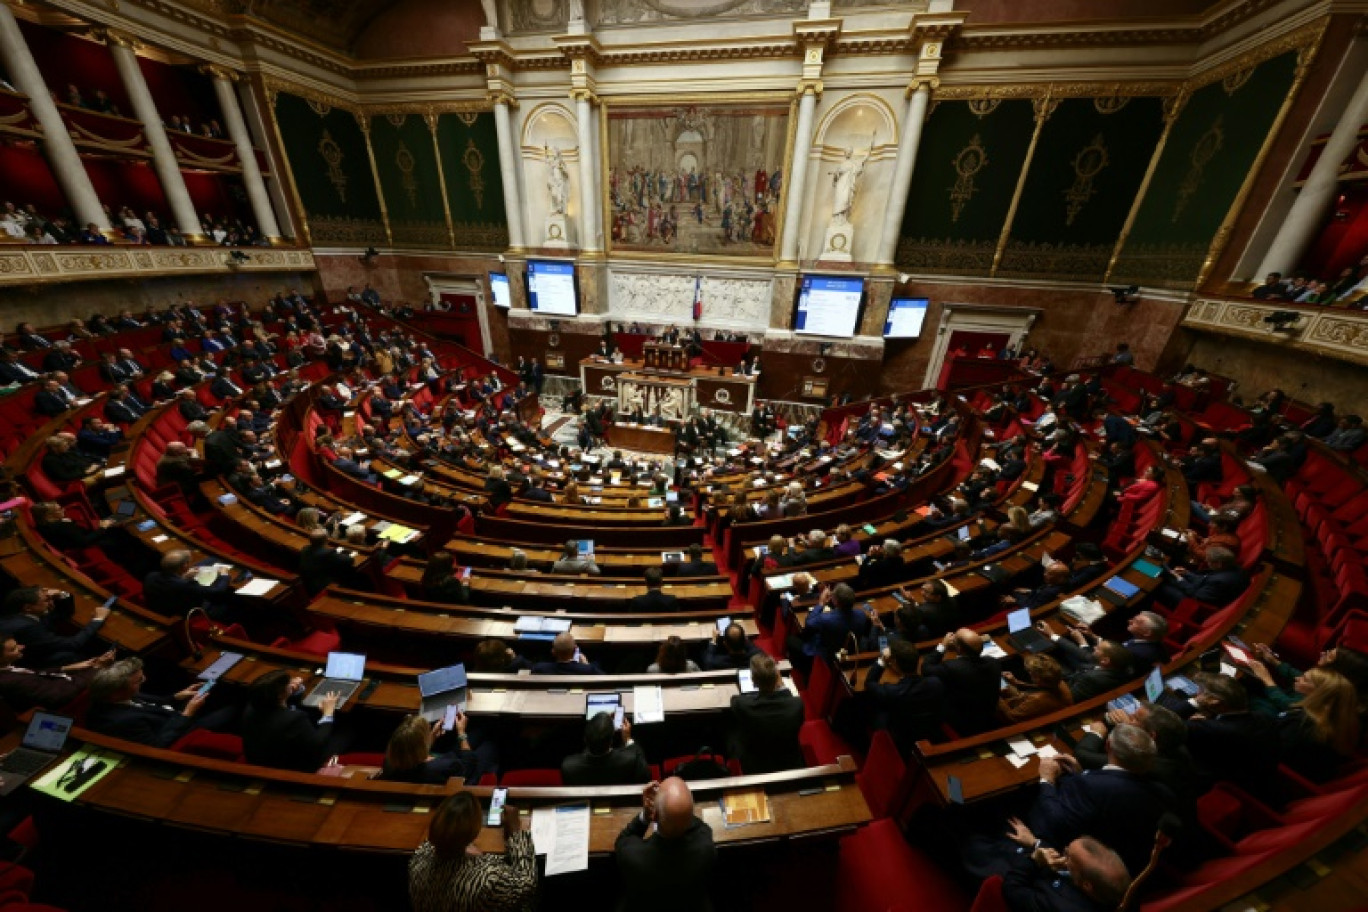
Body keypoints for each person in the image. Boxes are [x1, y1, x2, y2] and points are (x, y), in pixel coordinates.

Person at [409, 790, 537, 912]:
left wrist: (463, 848)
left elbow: (441, 840)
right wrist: (516, 834)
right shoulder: (487, 881)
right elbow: (526, 884)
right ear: (474, 832)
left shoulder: (419, 860)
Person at [615, 778, 716, 912]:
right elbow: (701, 827)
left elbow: (623, 839)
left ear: (654, 815)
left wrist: (645, 816)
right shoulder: (706, 847)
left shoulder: (632, 855)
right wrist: (681, 812)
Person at [86, 657, 225, 748]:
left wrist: (177, 696)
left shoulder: (119, 695)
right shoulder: (123, 722)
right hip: (184, 731)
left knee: (222, 689)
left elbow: (155, 703)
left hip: (173, 714)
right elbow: (157, 745)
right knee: (233, 708)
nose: (144, 680)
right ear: (117, 692)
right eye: (138, 680)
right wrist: (187, 714)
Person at [241, 668, 347, 772]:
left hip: (261, 758)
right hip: (294, 768)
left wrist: (294, 690)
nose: (291, 684)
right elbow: (317, 745)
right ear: (280, 695)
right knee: (347, 728)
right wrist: (328, 714)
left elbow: (280, 704)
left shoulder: (251, 707)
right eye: (288, 684)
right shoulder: (294, 718)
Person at [1001, 836, 1132, 912]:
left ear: (1086, 885)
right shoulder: (1123, 890)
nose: (1064, 853)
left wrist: (1034, 860)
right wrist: (1036, 843)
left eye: (1068, 856)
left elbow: (1012, 888)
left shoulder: (1056, 905)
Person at [1276, 668, 1360, 782]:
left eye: (1304, 679)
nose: (1297, 678)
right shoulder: (1337, 728)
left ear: (1320, 693)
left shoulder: (1302, 724)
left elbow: (1270, 748)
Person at [862, 639, 945, 751]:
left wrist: (882, 661)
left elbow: (870, 682)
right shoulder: (936, 683)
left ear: (894, 663)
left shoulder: (891, 692)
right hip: (929, 734)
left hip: (901, 740)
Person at [727, 653, 803, 774]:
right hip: (788, 760)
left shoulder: (743, 705)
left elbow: (734, 700)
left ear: (753, 681)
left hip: (756, 764)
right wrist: (783, 687)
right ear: (777, 676)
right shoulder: (797, 704)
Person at [0, 587, 109, 669]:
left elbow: (63, 613)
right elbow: (73, 644)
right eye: (46, 600)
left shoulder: (19, 614)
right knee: (71, 655)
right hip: (32, 663)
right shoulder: (28, 628)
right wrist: (98, 619)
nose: (50, 602)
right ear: (28, 607)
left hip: (32, 651)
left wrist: (61, 594)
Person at [923, 628, 1003, 735]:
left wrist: (943, 646)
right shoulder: (994, 662)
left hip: (963, 723)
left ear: (959, 648)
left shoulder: (951, 667)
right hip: (988, 715)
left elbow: (926, 668)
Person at [381, 712, 492, 785]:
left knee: (479, 732)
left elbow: (413, 750)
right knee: (489, 745)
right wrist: (461, 732)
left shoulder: (390, 763)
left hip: (447, 763)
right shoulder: (444, 767)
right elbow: (469, 763)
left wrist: (431, 737)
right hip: (465, 774)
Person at [562, 711, 650, 786]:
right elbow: (645, 777)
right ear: (611, 741)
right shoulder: (631, 760)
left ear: (585, 739)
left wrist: (604, 722)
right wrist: (627, 739)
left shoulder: (568, 766)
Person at [1153, 546, 1249, 609]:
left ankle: (1144, 567)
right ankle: (1148, 566)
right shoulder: (1234, 568)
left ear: (1219, 564)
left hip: (1194, 605)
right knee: (1168, 574)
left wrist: (1179, 579)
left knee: (1161, 584)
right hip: (1206, 591)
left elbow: (1196, 596)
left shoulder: (1219, 580)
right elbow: (1204, 580)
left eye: (1209, 561)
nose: (1206, 562)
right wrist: (1187, 573)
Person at [999, 654, 1073, 724]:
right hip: (1036, 706)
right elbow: (1042, 687)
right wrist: (1017, 682)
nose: (1029, 673)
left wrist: (995, 696)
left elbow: (1012, 718)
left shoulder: (1037, 699)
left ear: (1038, 679)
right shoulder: (1059, 682)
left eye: (1030, 672)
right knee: (1007, 687)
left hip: (1028, 721)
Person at [531, 632, 603, 675]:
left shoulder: (540, 668)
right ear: (575, 650)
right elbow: (605, 678)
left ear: (553, 652)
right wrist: (586, 665)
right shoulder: (588, 670)